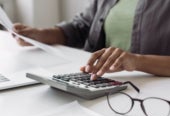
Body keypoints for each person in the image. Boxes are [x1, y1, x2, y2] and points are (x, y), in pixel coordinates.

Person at [13, 0, 170, 80]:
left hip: (150, 92)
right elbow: (81, 27)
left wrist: (137, 61)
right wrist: (42, 34)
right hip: (100, 81)